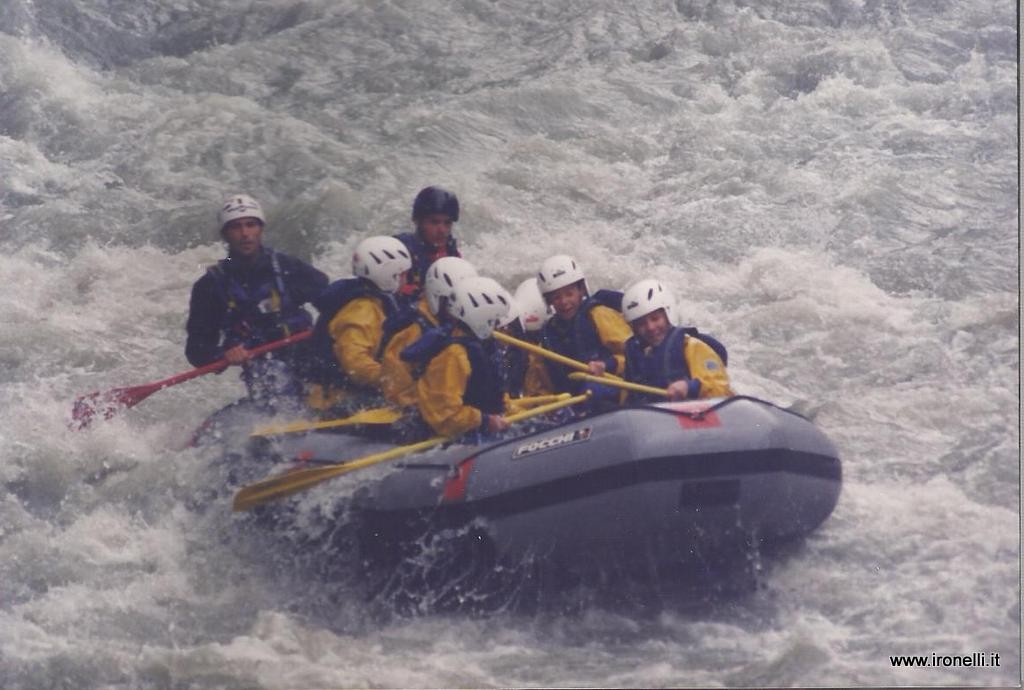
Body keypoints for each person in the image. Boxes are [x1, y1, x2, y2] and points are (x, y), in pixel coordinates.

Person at [185, 193, 328, 405]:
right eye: (236, 227)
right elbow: (197, 350)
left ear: (260, 228)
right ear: (225, 234)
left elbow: (332, 302)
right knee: (273, 378)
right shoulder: (210, 286)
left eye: (251, 225)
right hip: (264, 374)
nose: (245, 234)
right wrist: (224, 354)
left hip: (307, 359)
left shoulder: (288, 267)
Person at [306, 235, 412, 411]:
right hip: (335, 399)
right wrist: (390, 378)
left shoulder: (374, 302)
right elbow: (355, 363)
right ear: (388, 274)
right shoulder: (362, 310)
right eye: (402, 275)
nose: (406, 280)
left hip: (347, 392)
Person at [412, 276, 513, 439]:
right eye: (494, 319)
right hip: (457, 435)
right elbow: (444, 415)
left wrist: (512, 410)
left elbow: (496, 396)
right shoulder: (454, 355)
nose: (499, 324)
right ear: (481, 317)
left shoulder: (480, 345)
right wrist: (484, 421)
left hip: (477, 427)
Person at [531, 255, 632, 406]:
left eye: (569, 294)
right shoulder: (547, 336)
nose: (564, 302)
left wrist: (607, 365)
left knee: (592, 390)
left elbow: (634, 354)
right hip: (572, 401)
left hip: (611, 387)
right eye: (557, 297)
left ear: (581, 291)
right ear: (549, 301)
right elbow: (537, 385)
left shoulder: (598, 315)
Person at [377, 256, 478, 408]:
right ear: (437, 297)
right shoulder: (412, 331)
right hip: (420, 408)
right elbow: (395, 390)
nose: (461, 308)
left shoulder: (455, 325)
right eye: (455, 302)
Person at [620, 278, 733, 403]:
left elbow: (721, 389)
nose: (650, 327)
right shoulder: (637, 352)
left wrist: (690, 387)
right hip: (651, 416)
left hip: (693, 415)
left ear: (668, 314)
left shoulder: (692, 347)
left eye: (655, 319)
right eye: (642, 324)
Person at [394, 186, 462, 302]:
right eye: (434, 222)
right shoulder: (398, 251)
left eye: (447, 223)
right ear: (417, 221)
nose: (442, 230)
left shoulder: (452, 253)